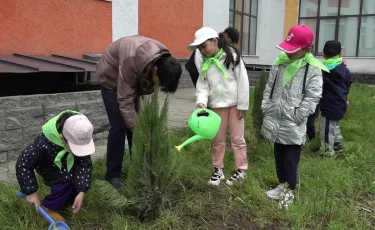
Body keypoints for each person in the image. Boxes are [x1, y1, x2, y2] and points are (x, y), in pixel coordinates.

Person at [96, 35, 182, 189]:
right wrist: (138, 129)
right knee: (119, 126)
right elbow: (124, 100)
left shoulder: (163, 61)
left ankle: (137, 167)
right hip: (111, 77)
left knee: (135, 122)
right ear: (155, 70)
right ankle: (112, 175)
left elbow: (136, 89)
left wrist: (139, 122)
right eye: (160, 82)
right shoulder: (132, 59)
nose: (158, 86)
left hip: (130, 77)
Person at [261, 25, 328, 209]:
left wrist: (299, 115)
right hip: (275, 118)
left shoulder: (312, 69)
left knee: (290, 158)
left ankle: (290, 190)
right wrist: (266, 106)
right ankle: (281, 184)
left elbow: (313, 96)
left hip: (293, 121)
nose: (288, 53)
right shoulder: (280, 62)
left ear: (306, 49)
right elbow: (269, 87)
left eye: (293, 50)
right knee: (278, 154)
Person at [187, 27, 249, 186]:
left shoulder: (232, 56)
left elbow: (243, 81)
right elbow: (203, 85)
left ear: (214, 41)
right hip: (216, 106)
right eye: (199, 49)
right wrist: (201, 102)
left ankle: (241, 170)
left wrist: (243, 105)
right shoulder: (202, 60)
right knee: (217, 139)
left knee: (237, 138)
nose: (202, 51)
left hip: (235, 105)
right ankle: (218, 169)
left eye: (204, 46)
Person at [15, 110, 95, 222]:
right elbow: (23, 164)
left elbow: (84, 164)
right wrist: (30, 192)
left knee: (76, 178)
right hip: (50, 166)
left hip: (67, 162)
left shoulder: (80, 134)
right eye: (75, 148)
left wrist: (82, 192)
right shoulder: (42, 144)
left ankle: (72, 201)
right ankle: (51, 207)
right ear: (62, 139)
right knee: (64, 183)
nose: (79, 152)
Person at [319, 40, 351, 156]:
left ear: (323, 53)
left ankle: (328, 152)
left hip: (329, 105)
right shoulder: (344, 69)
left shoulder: (322, 70)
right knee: (335, 125)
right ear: (340, 53)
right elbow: (348, 84)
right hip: (341, 103)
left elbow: (319, 87)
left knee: (327, 129)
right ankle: (337, 145)